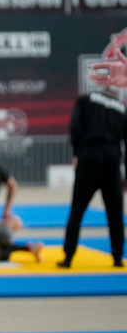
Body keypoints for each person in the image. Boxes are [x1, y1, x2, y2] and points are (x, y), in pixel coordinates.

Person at [58, 87, 127, 268]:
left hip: (89, 157)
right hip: (112, 160)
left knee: (77, 209)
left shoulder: (86, 100)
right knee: (115, 213)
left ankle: (68, 257)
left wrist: (77, 152)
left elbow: (75, 126)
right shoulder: (121, 108)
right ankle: (118, 257)